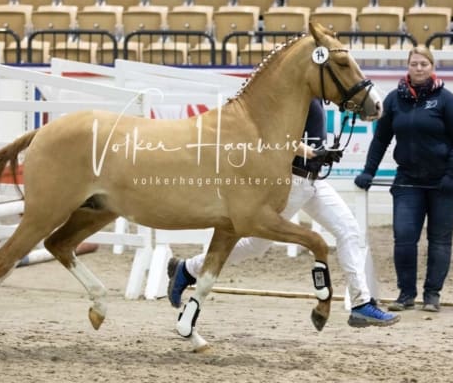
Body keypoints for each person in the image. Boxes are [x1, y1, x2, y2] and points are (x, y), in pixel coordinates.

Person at [167, 98, 400, 328]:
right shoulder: (297, 94)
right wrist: (312, 153)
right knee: (256, 246)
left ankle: (361, 304)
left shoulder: (316, 95)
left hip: (313, 181)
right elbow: (273, 134)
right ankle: (188, 269)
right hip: (292, 181)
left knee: (349, 230)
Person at [354, 46, 453, 312]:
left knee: (439, 240)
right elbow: (381, 139)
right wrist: (368, 171)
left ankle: (432, 295)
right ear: (408, 66)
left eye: (424, 64)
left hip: (446, 183)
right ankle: (406, 294)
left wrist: (452, 174)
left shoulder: (446, 100)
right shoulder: (395, 100)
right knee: (404, 237)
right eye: (414, 64)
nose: (419, 68)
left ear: (432, 67)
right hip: (408, 181)